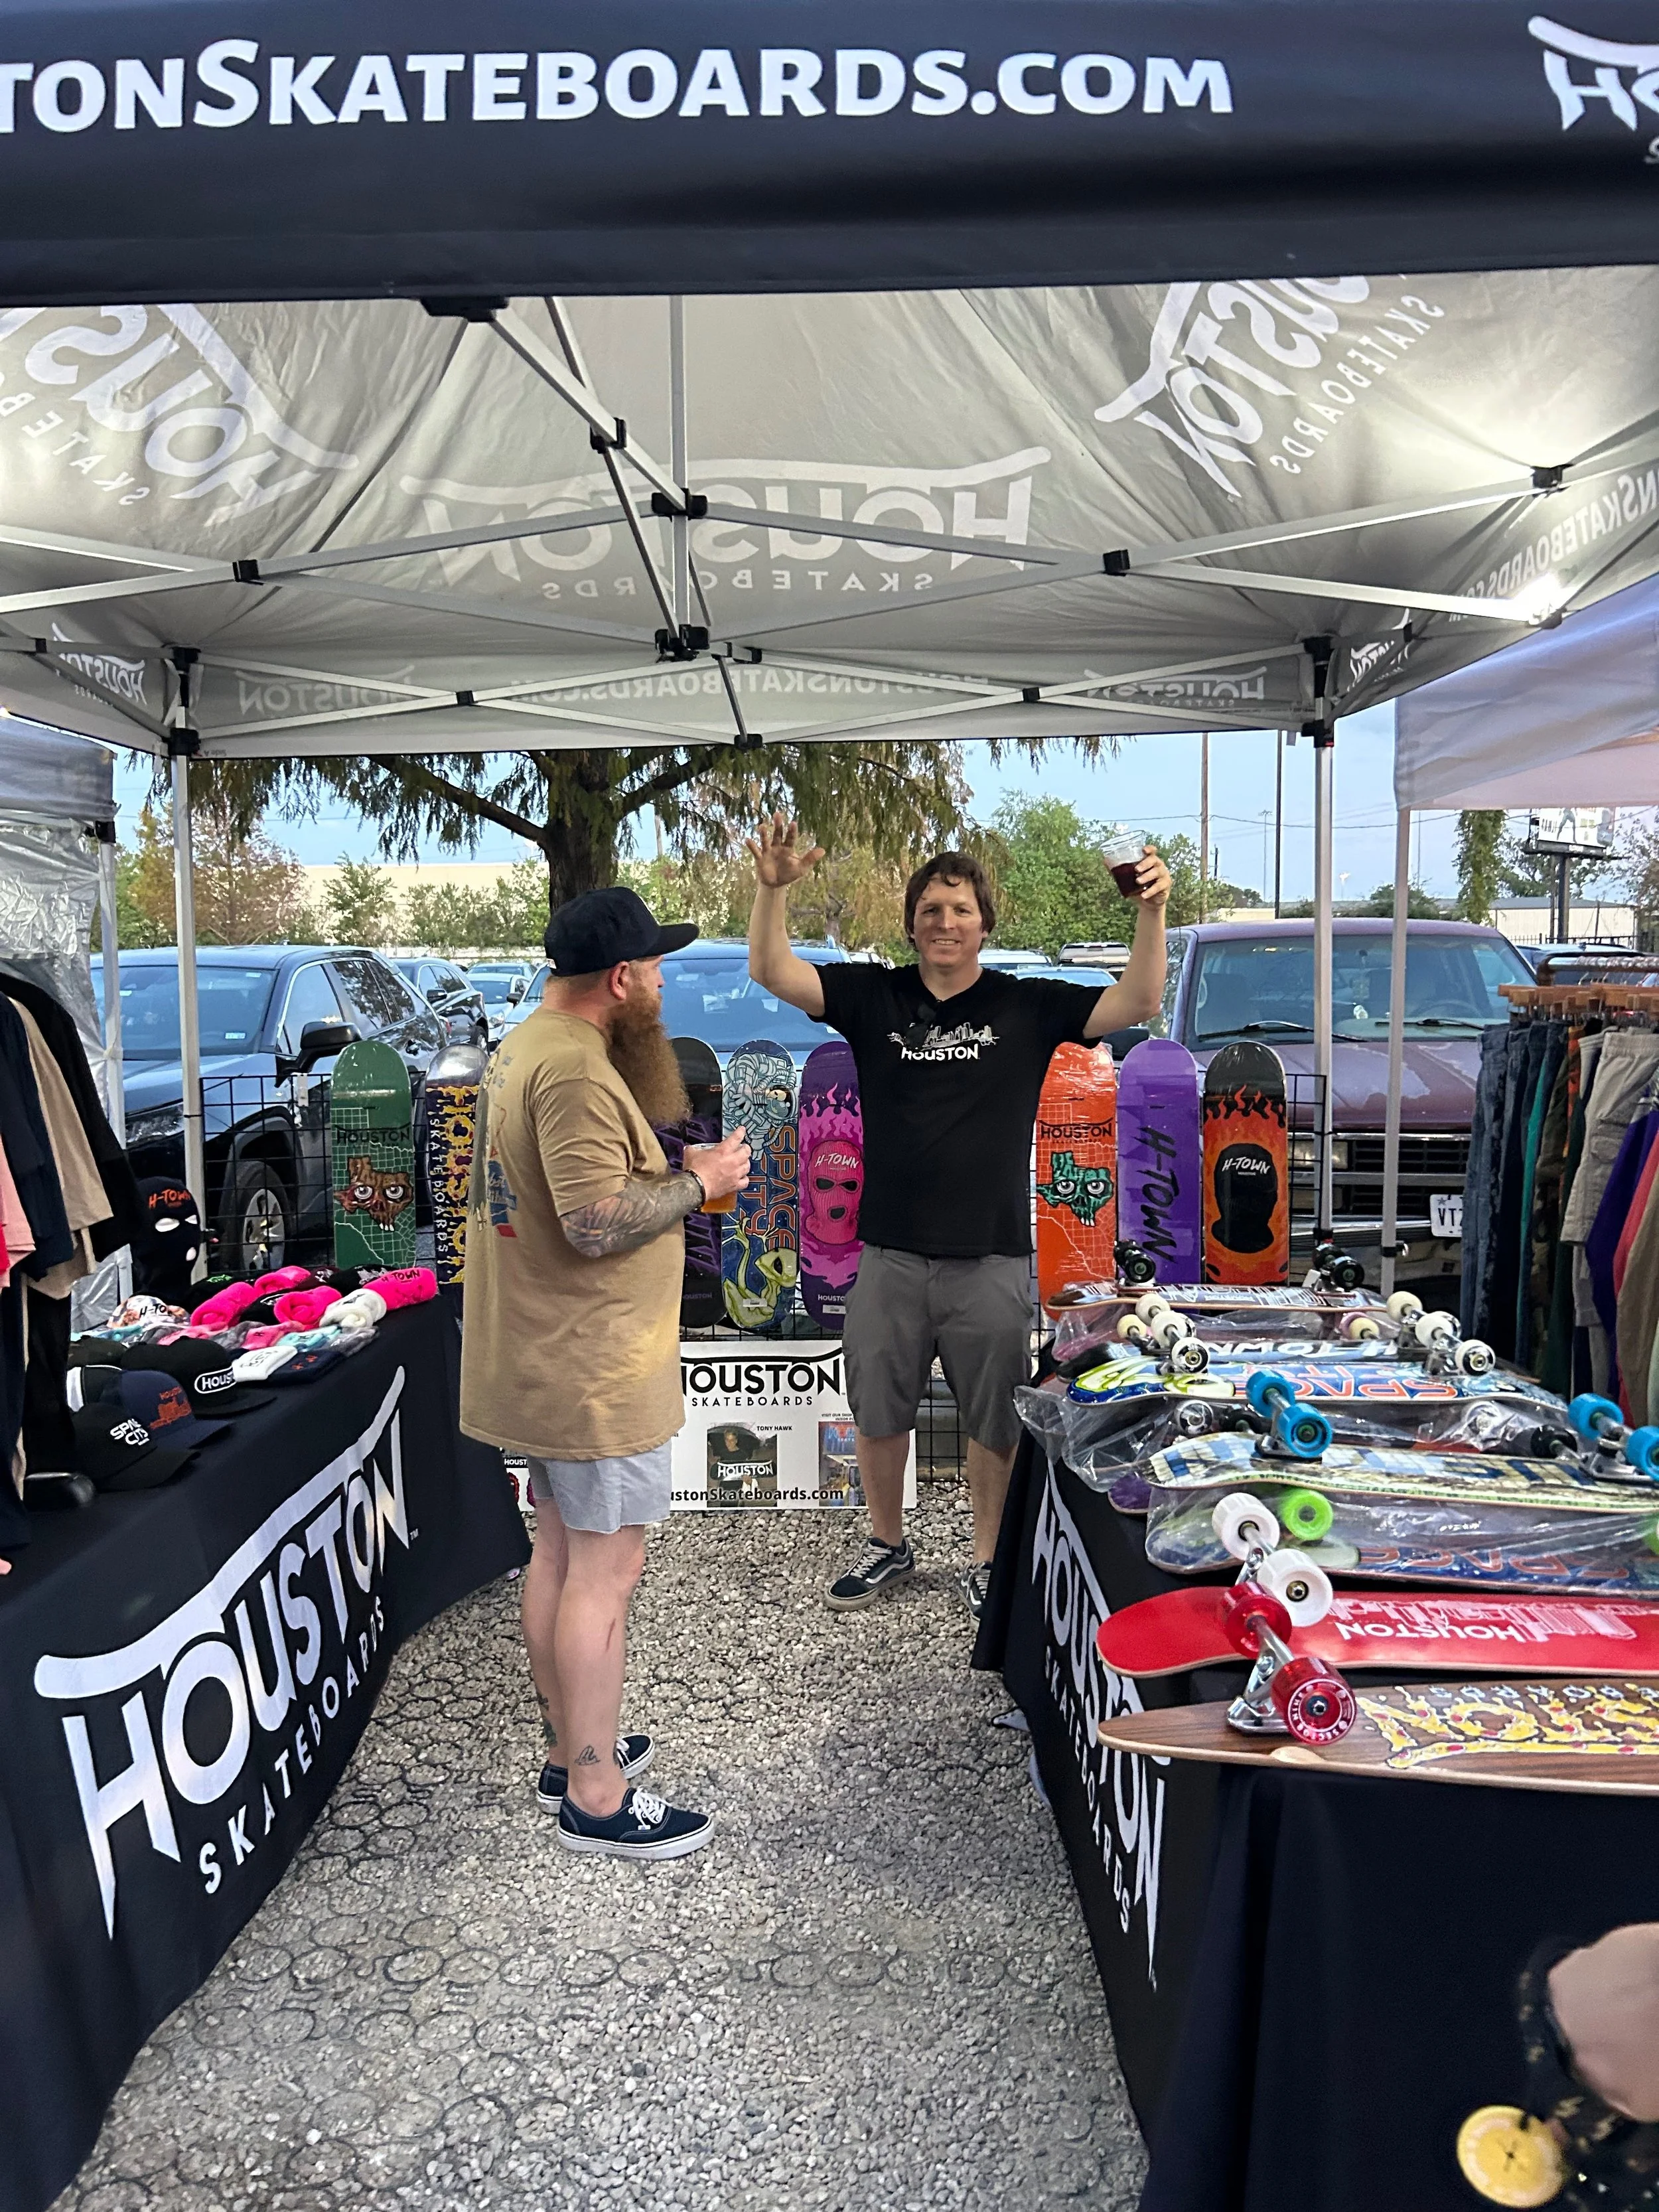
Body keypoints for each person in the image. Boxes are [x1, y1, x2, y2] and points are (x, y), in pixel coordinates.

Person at [747, 819, 1170, 1617]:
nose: (946, 923)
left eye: (961, 910)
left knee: (993, 1425)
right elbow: (772, 968)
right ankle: (886, 1544)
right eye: (932, 910)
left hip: (992, 1258)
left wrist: (1150, 912)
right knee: (878, 1412)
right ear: (911, 924)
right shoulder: (874, 997)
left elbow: (1139, 998)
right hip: (891, 1256)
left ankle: (986, 1560)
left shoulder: (1026, 1004)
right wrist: (772, 891)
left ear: (986, 924)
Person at [460, 885, 751, 1860]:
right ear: (621, 980)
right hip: (589, 1367)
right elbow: (592, 1224)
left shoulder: (525, 1045)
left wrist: (669, 1178)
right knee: (605, 1572)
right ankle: (595, 1789)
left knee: (557, 1549)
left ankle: (565, 1744)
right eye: (657, 969)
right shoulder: (578, 1070)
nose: (664, 986)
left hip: (542, 1355)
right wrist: (700, 1184)